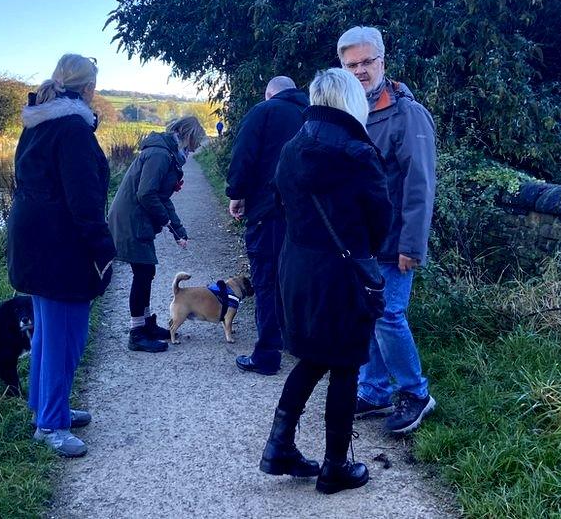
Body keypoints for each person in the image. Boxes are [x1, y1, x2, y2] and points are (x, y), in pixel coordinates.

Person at [259, 68, 392, 494]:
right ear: (350, 101)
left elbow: (280, 202)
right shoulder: (358, 153)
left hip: (297, 268)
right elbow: (380, 222)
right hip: (343, 273)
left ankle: (279, 447)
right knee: (346, 364)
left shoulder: (292, 148)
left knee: (313, 357)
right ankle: (335, 467)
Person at [7, 53, 115, 457]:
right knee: (66, 336)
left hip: (32, 241)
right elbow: (84, 201)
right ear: (89, 89)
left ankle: (46, 407)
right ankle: (51, 425)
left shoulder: (38, 122)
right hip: (60, 247)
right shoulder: (72, 129)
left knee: (48, 333)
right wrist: (103, 248)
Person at [338, 26, 437, 433]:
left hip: (395, 240)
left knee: (389, 316)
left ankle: (416, 393)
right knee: (370, 315)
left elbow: (420, 183)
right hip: (363, 241)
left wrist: (412, 245)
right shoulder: (352, 110)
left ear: (382, 61)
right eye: (352, 64)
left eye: (367, 62)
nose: (360, 70)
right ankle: (375, 390)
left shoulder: (406, 114)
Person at [227, 76, 308, 376]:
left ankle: (267, 355)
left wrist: (236, 194)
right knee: (295, 279)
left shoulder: (264, 111)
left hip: (268, 209)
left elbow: (243, 156)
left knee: (267, 279)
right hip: (306, 216)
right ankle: (296, 342)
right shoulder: (311, 112)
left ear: (270, 93)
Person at [108, 116, 207, 353]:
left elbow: (161, 198)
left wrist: (178, 230)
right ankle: (137, 333)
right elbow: (146, 194)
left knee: (146, 272)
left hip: (137, 218)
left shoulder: (168, 155)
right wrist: (168, 224)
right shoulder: (160, 155)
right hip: (130, 219)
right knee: (142, 273)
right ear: (187, 136)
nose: (193, 150)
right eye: (193, 144)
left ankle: (147, 324)